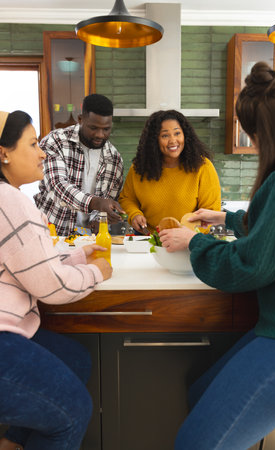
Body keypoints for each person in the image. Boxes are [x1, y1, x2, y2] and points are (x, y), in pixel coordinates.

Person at [159, 62, 275, 450]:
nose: (254, 146)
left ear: (264, 133)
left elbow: (249, 266)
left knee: (195, 443)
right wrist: (225, 217)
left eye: (252, 137)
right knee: (200, 391)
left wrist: (194, 242)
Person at [0, 110, 112, 450]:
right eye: (33, 144)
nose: (42, 152)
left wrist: (77, 257)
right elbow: (51, 287)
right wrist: (97, 272)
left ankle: (10, 441)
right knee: (73, 412)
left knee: (75, 358)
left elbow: (24, 263)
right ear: (3, 153)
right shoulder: (10, 200)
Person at [34, 93, 124, 236]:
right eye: (93, 128)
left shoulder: (114, 159)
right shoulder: (56, 141)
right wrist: (95, 203)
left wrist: (101, 219)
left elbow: (110, 199)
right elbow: (57, 187)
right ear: (80, 119)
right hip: (50, 234)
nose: (100, 134)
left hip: (90, 240)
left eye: (106, 129)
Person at [118, 109, 221, 234]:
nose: (173, 140)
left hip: (190, 239)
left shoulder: (203, 167)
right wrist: (134, 214)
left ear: (185, 136)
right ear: (154, 140)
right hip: (149, 238)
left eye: (177, 133)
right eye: (165, 135)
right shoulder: (139, 168)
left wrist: (186, 234)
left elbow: (211, 211)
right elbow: (127, 199)